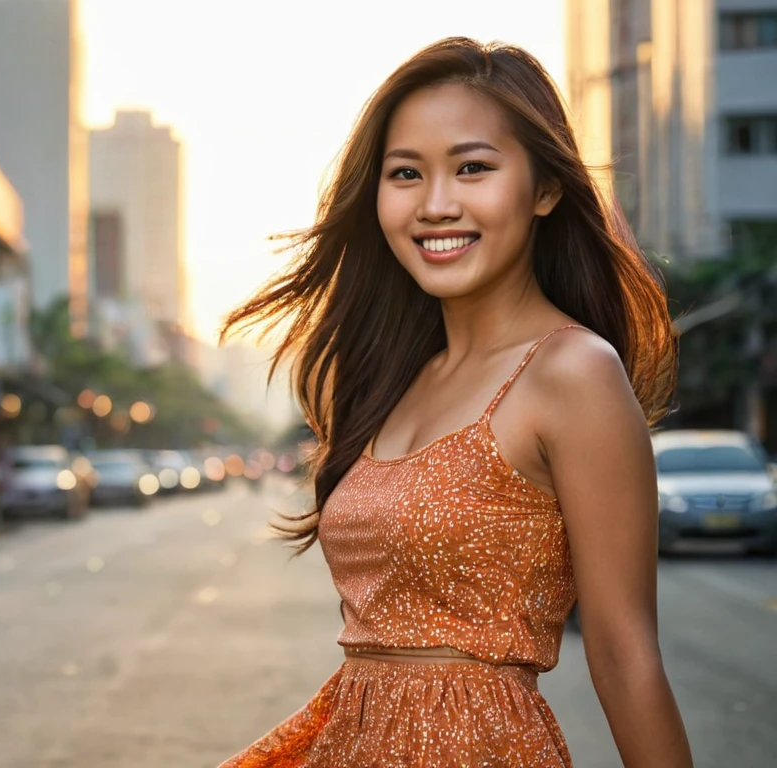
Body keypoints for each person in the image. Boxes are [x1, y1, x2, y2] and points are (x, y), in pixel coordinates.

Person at [219, 38, 691, 767]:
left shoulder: (573, 373)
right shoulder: (393, 378)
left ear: (544, 189)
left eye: (473, 168)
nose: (436, 205)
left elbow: (626, 656)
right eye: (405, 174)